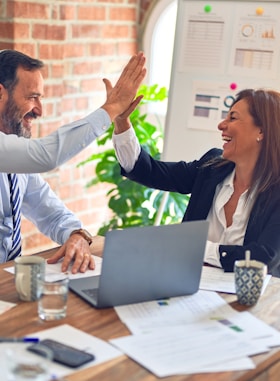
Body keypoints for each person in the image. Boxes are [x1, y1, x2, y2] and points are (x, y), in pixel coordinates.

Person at [0, 49, 146, 273]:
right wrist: (111, 108)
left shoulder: (16, 160)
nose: (40, 110)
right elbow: (45, 155)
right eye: (32, 97)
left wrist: (76, 235)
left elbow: (51, 213)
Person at [112, 88, 280, 277]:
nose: (221, 125)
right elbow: (149, 171)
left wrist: (195, 248)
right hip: (191, 290)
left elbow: (263, 258)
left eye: (233, 118)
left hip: (252, 301)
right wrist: (121, 121)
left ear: (262, 131)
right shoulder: (212, 167)